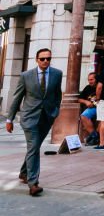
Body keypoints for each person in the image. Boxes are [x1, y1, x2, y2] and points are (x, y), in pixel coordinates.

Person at [5, 47, 63, 196]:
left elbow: (57, 95)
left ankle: (24, 172)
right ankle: (33, 183)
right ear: (36, 60)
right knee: (33, 147)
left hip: (47, 117)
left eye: (48, 59)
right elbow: (17, 97)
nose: (45, 61)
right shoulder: (26, 76)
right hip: (29, 117)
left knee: (34, 147)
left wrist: (55, 111)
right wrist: (9, 119)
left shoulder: (57, 74)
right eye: (42, 59)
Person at [78, 72, 99, 145]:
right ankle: (95, 136)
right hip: (93, 108)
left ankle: (93, 137)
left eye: (92, 79)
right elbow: (79, 99)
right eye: (89, 80)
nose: (90, 81)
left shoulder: (101, 86)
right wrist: (86, 102)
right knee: (84, 116)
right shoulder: (87, 87)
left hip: (102, 107)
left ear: (96, 79)